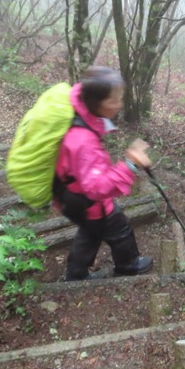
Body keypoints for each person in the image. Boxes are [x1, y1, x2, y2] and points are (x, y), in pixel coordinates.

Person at [53, 66, 154, 281]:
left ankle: (76, 273)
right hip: (89, 201)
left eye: (120, 98)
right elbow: (96, 187)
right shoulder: (83, 140)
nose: (120, 105)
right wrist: (129, 164)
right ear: (96, 102)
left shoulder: (81, 115)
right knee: (120, 229)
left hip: (73, 198)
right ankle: (128, 265)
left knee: (90, 232)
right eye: (114, 100)